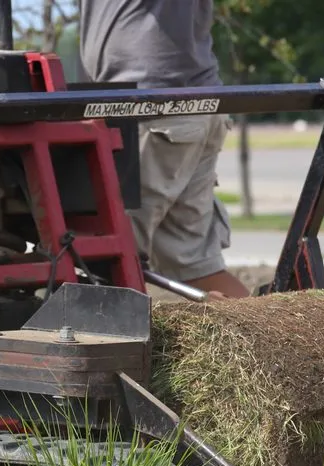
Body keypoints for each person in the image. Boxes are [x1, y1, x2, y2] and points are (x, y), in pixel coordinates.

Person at [79, 0, 250, 299]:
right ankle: (275, 338)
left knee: (107, 261)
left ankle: (116, 341)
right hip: (185, 104)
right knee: (194, 267)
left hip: (154, 107)